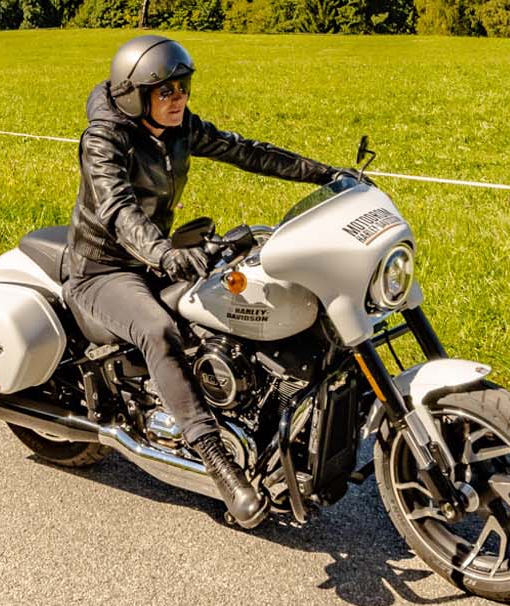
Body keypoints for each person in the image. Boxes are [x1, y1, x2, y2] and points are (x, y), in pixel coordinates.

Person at [64, 33, 339, 527]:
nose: (179, 99)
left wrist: (327, 176)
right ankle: (218, 464)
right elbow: (118, 209)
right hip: (102, 269)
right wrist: (163, 252)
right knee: (158, 330)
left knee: (230, 310)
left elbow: (246, 152)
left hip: (152, 258)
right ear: (135, 94)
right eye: (166, 91)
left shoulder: (180, 127)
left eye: (184, 88)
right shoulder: (104, 140)